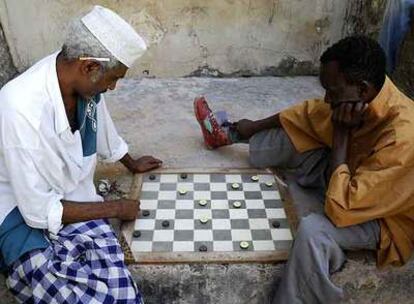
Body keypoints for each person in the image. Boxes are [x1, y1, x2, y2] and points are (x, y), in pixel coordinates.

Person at [194, 36, 414, 303]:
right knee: (297, 135)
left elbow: (342, 211)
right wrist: (250, 128)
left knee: (313, 232)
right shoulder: (363, 96)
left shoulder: (403, 138)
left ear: (363, 89)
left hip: (380, 219)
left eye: (331, 91)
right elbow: (307, 115)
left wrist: (342, 137)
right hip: (347, 178)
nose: (326, 97)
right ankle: (225, 135)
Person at [0, 5, 162, 303]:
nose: (112, 87)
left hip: (72, 201)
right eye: (113, 78)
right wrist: (114, 208)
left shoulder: (85, 89)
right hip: (20, 217)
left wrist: (130, 161)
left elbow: (103, 130)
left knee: (123, 293)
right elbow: (37, 212)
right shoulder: (19, 107)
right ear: (89, 67)